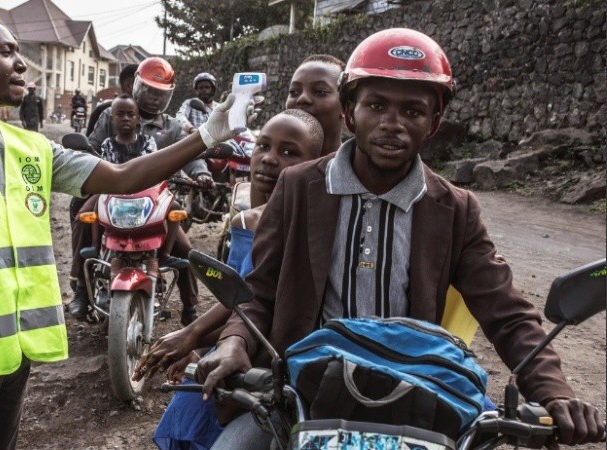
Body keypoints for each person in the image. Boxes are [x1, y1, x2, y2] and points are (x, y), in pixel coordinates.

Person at [196, 28, 604, 449]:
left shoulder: (454, 208)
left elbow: (507, 313)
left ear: (434, 123)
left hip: (416, 398)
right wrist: (233, 342)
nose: (392, 124)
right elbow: (260, 290)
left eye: (413, 111)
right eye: (376, 106)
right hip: (302, 395)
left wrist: (555, 393)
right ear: (350, 114)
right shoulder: (299, 187)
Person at [0, 15, 243, 449]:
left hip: (12, 358)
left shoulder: (32, 147)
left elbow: (124, 177)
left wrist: (206, 136)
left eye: (19, 52)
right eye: (6, 52)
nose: (21, 64)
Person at [135, 110, 324, 450]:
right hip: (233, 344)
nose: (269, 158)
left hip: (268, 359)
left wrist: (193, 334)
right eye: (263, 146)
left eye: (288, 152)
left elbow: (258, 297)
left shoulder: (307, 227)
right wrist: (201, 341)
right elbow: (233, 297)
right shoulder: (243, 220)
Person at [70, 57, 213, 325]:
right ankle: (81, 289)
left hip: (154, 198)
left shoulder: (171, 128)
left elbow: (190, 154)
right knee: (82, 219)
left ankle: (190, 307)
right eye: (148, 90)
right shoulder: (112, 114)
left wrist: (202, 172)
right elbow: (91, 148)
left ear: (168, 96)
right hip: (110, 191)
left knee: (185, 247)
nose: (154, 98)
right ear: (136, 86)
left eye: (160, 93)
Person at [86, 64, 137, 136]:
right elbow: (90, 145)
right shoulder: (103, 111)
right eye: (143, 85)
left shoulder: (151, 114)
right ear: (129, 86)